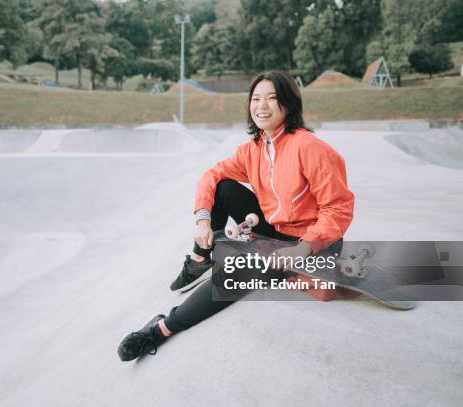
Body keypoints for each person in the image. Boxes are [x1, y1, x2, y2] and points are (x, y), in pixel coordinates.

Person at [117, 70, 355, 362]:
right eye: (256, 99)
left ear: (290, 104)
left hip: (312, 241)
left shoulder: (311, 148)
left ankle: (161, 328)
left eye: (271, 98)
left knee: (235, 272)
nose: (261, 106)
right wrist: (203, 220)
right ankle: (199, 260)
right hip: (277, 232)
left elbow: (338, 208)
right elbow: (211, 175)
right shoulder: (253, 149)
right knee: (223, 187)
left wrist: (303, 248)